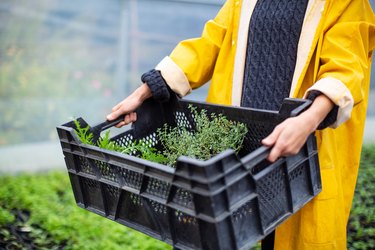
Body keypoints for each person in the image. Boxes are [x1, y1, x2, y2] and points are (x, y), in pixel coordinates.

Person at [107, 0, 375, 249]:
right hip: (239, 140)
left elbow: (345, 69)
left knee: (289, 233)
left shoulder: (346, 4)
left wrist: (306, 119)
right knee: (217, 230)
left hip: (297, 149)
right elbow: (208, 44)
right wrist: (144, 92)